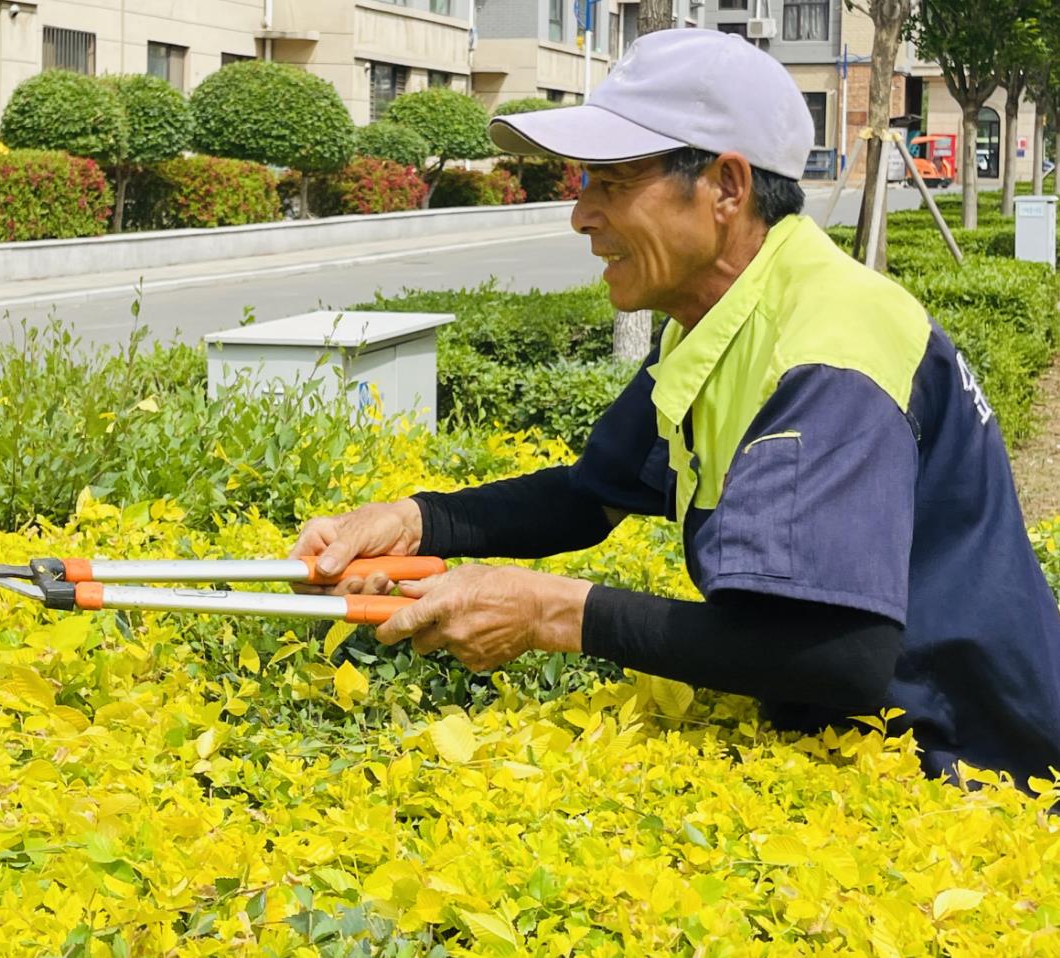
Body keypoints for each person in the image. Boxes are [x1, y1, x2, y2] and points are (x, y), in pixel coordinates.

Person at [289, 28, 1060, 788]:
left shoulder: (831, 349)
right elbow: (588, 498)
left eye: (613, 183)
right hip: (879, 755)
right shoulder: (726, 314)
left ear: (727, 187)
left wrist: (551, 614)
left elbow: (836, 655)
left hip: (975, 770)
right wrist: (411, 523)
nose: (582, 214)